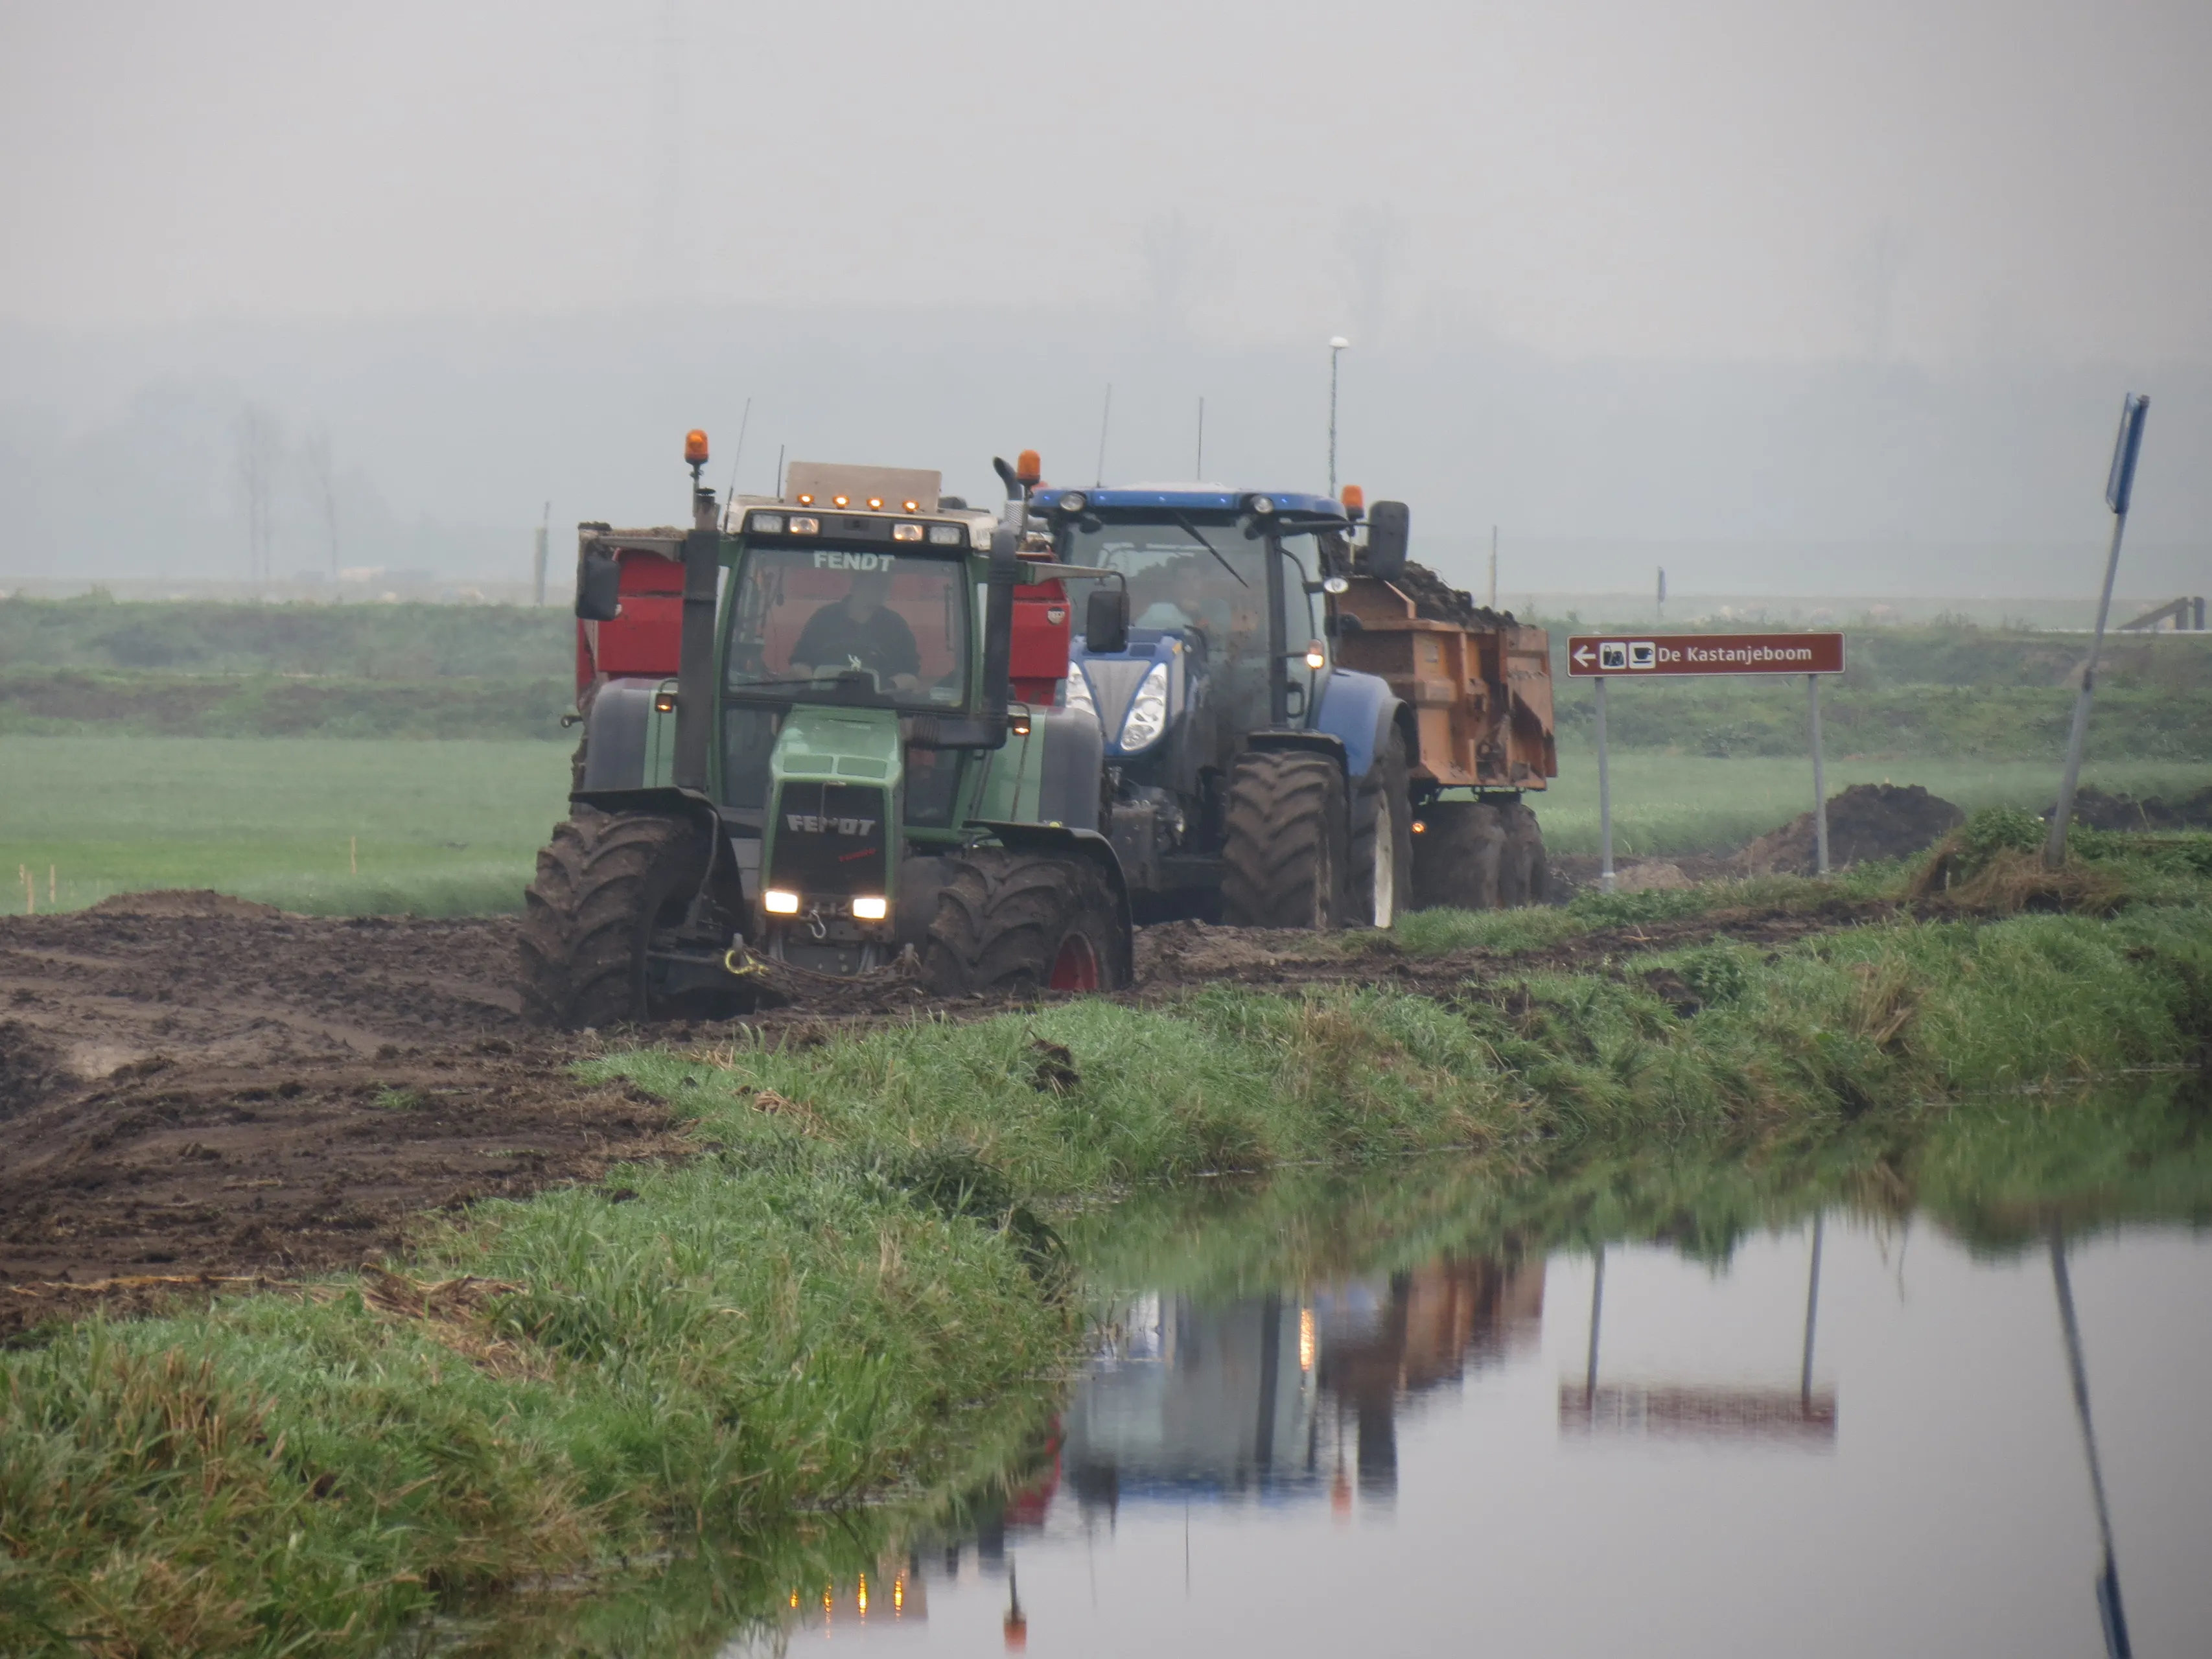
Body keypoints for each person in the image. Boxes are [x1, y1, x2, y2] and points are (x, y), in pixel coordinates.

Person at [787, 569, 921, 691]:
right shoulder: (824, 618)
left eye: (886, 584)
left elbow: (911, 676)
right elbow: (799, 664)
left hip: (879, 706)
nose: (883, 588)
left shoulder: (896, 626)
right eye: (876, 582)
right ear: (856, 586)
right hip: (822, 701)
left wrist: (887, 687)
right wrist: (815, 684)